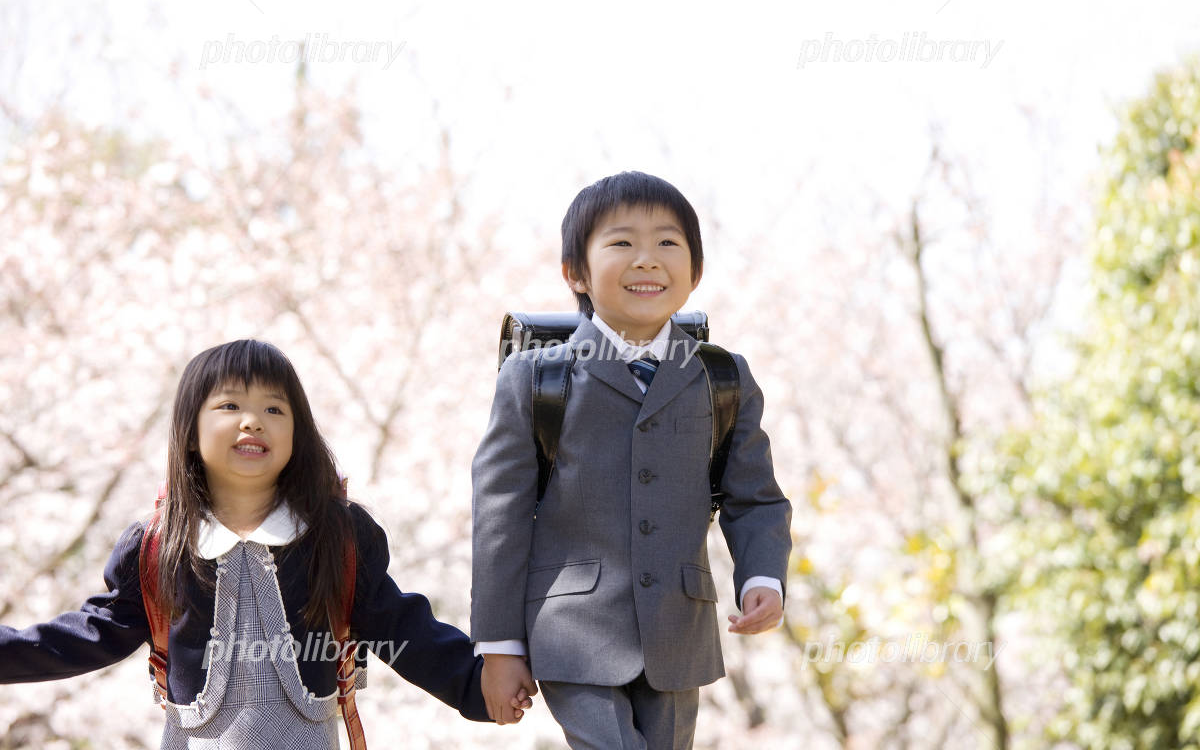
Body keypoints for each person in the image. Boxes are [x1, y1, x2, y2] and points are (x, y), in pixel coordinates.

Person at [0, 338, 529, 746]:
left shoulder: (338, 538)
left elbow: (401, 628)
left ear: (298, 434)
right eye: (229, 406)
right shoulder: (159, 547)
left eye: (275, 409)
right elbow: (93, 632)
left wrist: (477, 683)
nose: (253, 420)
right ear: (189, 429)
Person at [471, 171, 793, 749]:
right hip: (574, 635)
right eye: (622, 243)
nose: (647, 260)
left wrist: (762, 577)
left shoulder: (723, 378)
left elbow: (755, 496)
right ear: (577, 273)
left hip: (680, 635)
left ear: (694, 272)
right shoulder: (537, 378)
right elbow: (501, 517)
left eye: (668, 243)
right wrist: (500, 647)